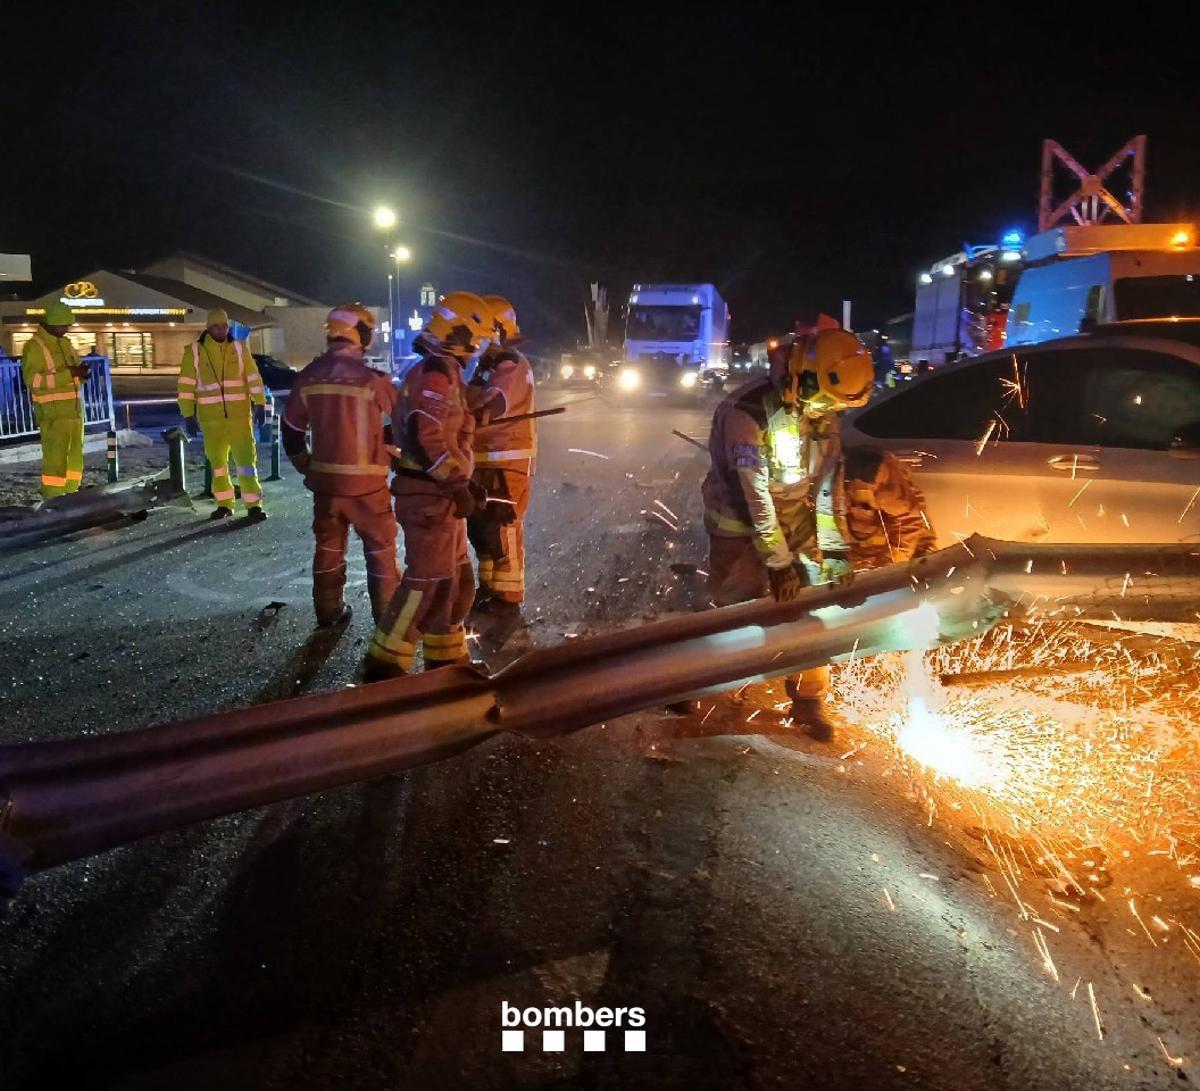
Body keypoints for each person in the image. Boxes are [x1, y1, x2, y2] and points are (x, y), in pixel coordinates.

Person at [700, 323, 876, 741]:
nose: (825, 412)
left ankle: (808, 699)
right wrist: (778, 563)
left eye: (834, 407)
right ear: (802, 375)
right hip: (739, 524)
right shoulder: (747, 413)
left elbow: (829, 486)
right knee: (737, 612)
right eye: (822, 401)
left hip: (795, 520)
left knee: (815, 611)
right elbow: (754, 495)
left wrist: (834, 549)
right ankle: (718, 692)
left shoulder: (824, 414)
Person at [363, 292, 492, 681]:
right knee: (426, 583)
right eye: (477, 339)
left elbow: (445, 435)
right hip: (429, 497)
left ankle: (447, 660)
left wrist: (469, 480)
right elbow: (426, 433)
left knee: (455, 583)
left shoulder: (441, 371)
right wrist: (456, 484)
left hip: (440, 496)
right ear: (461, 333)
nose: (478, 350)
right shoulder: (436, 373)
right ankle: (385, 663)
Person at [281, 303, 401, 629]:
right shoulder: (374, 381)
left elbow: (291, 430)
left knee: (328, 547)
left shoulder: (307, 376)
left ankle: (328, 613)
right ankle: (387, 620)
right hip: (369, 488)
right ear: (359, 333)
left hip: (327, 487)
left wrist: (306, 467)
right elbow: (398, 429)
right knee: (380, 551)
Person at [466, 295, 537, 616]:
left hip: (507, 459)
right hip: (484, 458)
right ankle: (490, 587)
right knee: (482, 527)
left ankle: (508, 597)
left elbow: (494, 404)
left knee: (503, 525)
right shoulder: (490, 365)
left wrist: (464, 414)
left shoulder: (511, 363)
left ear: (495, 330)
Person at [177, 308, 268, 521]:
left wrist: (260, 403)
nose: (221, 329)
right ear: (208, 328)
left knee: (246, 463)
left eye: (224, 325)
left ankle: (254, 505)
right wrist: (188, 414)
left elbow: (253, 377)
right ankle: (224, 504)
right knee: (218, 465)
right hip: (212, 421)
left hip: (239, 418)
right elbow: (185, 386)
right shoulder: (194, 352)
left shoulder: (239, 348)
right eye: (216, 326)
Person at [20, 301, 88, 499]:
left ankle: (71, 494)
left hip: (74, 413)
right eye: (64, 325)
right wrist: (70, 374)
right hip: (53, 415)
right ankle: (53, 500)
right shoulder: (34, 347)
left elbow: (72, 371)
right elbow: (33, 380)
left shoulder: (65, 343)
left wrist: (81, 374)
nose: (66, 329)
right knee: (55, 463)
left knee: (74, 461)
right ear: (52, 323)